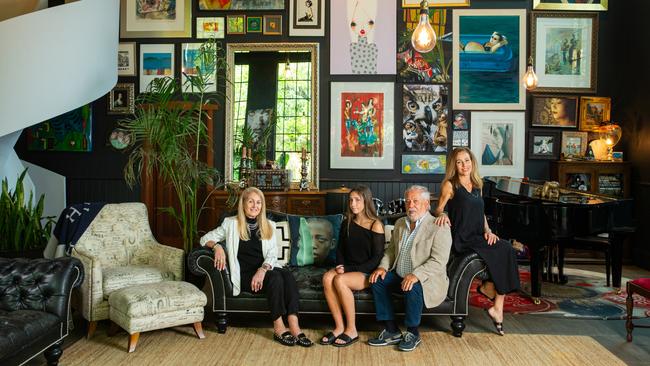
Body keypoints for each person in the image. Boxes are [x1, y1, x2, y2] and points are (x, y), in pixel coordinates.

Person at [200, 187, 313, 347]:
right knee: (275, 277)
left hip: (263, 271)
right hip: (244, 275)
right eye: (251, 201)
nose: (255, 205)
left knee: (286, 275)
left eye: (258, 202)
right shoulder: (230, 224)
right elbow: (205, 238)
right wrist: (217, 246)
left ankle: (294, 325)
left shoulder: (269, 225)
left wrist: (262, 269)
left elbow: (272, 254)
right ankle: (279, 327)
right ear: (243, 203)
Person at [433, 147, 520, 336]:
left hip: (478, 236)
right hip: (462, 238)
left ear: (472, 162)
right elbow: (438, 209)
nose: (464, 165)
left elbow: (480, 214)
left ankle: (495, 300)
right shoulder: (450, 184)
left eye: (467, 160)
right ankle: (492, 295)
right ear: (454, 166)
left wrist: (488, 232)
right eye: (459, 162)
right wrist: (444, 214)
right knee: (505, 249)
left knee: (507, 248)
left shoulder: (477, 185)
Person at [368, 185, 452, 352]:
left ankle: (413, 333)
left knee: (412, 285)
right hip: (399, 273)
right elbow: (391, 250)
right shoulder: (400, 223)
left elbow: (439, 261)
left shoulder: (439, 226)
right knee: (377, 281)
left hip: (426, 279)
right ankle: (392, 330)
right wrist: (383, 267)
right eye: (407, 201)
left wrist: (416, 275)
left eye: (415, 201)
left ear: (427, 204)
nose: (410, 205)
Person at [320, 186, 385, 347]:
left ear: (366, 201)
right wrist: (340, 266)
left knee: (340, 280)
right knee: (327, 277)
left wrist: (347, 270)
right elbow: (340, 250)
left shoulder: (375, 224)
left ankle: (351, 330)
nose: (353, 204)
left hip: (366, 272)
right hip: (347, 269)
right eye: (351, 200)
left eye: (357, 200)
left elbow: (376, 259)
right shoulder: (346, 222)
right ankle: (339, 327)